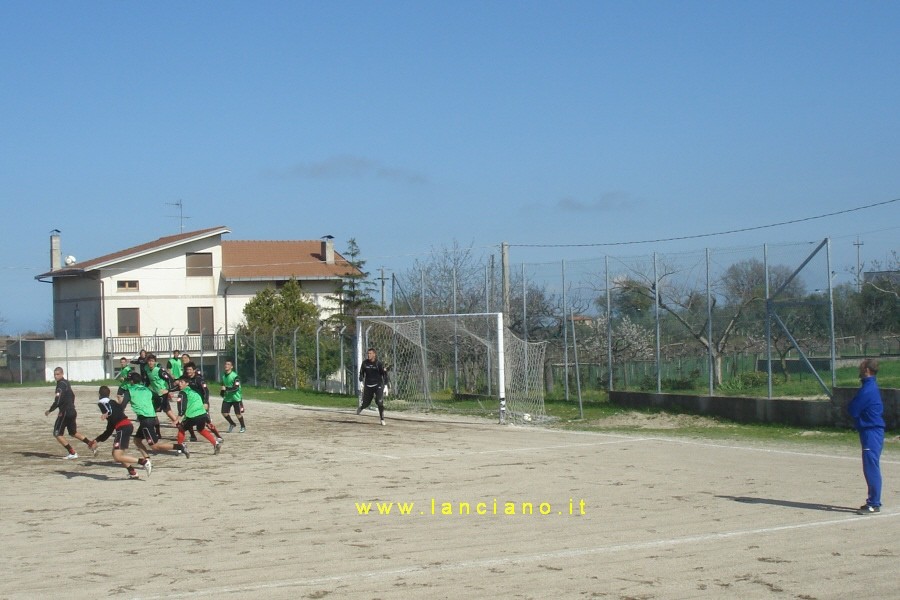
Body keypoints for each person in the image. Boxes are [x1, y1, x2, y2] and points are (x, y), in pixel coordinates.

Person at [119, 372, 189, 459]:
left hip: (146, 420)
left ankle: (180, 446)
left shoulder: (129, 390)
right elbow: (158, 398)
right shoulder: (146, 389)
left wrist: (118, 415)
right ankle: (147, 460)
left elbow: (123, 405)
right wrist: (155, 408)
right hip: (151, 418)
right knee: (137, 440)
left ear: (132, 381)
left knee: (155, 446)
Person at [89, 385, 151, 479]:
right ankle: (132, 472)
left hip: (123, 428)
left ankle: (143, 461)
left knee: (117, 456)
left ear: (99, 394)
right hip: (126, 426)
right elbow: (109, 430)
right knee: (116, 454)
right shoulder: (113, 403)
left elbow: (107, 409)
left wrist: (106, 413)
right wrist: (96, 440)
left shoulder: (102, 403)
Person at [848, 358, 885, 515]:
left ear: (867, 371)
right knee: (870, 466)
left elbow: (853, 409)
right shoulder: (869, 387)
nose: (859, 371)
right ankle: (872, 501)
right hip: (869, 431)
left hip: (871, 431)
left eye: (861, 368)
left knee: (871, 467)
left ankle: (874, 503)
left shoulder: (868, 389)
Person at [44, 367, 94, 459]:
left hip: (65, 412)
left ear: (62, 374)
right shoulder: (66, 383)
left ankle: (72, 452)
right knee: (73, 432)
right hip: (72, 411)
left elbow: (58, 400)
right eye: (55, 374)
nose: (56, 376)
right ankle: (91, 443)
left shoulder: (60, 385)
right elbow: (73, 395)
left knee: (57, 433)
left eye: (58, 374)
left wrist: (50, 410)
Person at [174, 376, 222, 454]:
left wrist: (177, 418)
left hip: (192, 415)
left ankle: (179, 449)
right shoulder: (194, 391)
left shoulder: (183, 393)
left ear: (187, 384)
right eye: (179, 382)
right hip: (202, 414)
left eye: (182, 382)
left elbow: (182, 407)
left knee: (181, 429)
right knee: (201, 429)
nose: (179, 384)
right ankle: (215, 443)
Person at [357, 347, 390, 426]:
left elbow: (384, 374)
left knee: (379, 402)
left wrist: (385, 385)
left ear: (374, 355)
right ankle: (361, 407)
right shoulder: (365, 363)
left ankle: (382, 419)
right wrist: (361, 382)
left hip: (378, 385)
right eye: (368, 353)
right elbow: (361, 373)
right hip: (368, 386)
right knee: (366, 403)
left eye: (370, 353)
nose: (369, 355)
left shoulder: (378, 364)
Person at [220, 360, 245, 433]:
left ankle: (243, 426)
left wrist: (226, 389)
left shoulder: (235, 376)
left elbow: (236, 387)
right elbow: (223, 386)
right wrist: (222, 393)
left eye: (228, 364)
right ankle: (232, 424)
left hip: (236, 398)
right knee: (224, 413)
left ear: (231, 367)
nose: (226, 365)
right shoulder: (223, 376)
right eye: (225, 364)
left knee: (238, 414)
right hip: (227, 398)